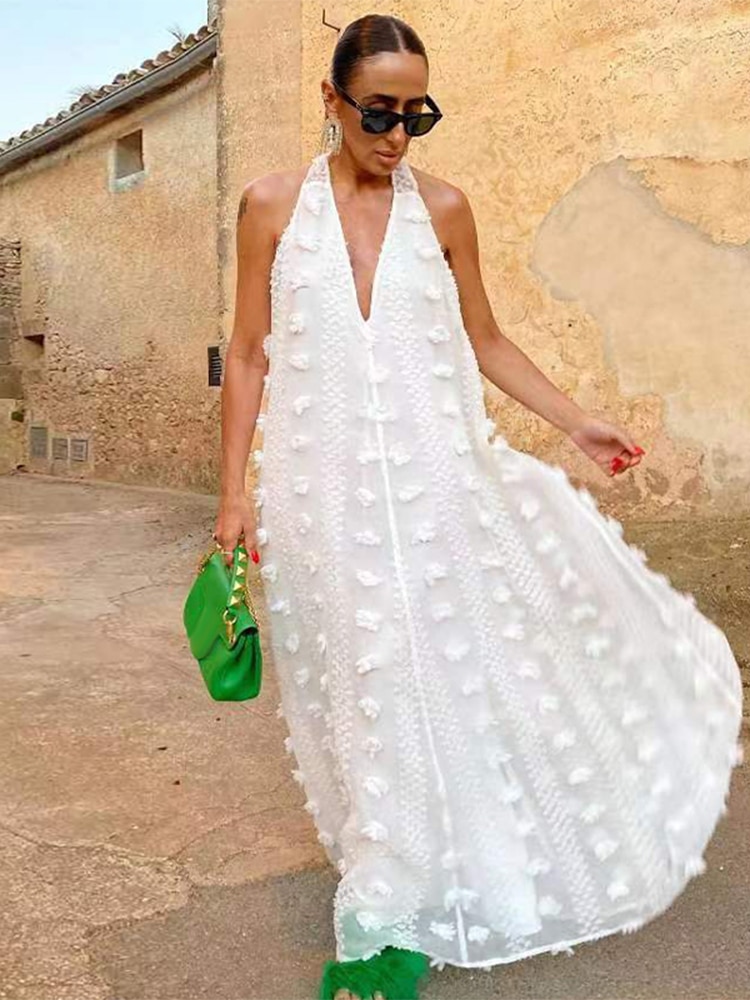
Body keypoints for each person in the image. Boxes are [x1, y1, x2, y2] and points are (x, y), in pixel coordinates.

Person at [212, 13, 744, 1000]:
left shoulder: (446, 210)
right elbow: (247, 355)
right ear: (331, 101)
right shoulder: (270, 208)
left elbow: (486, 340)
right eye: (379, 113)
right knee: (357, 685)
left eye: (418, 115)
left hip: (435, 487)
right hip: (317, 492)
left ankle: (395, 909)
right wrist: (233, 494)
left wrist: (577, 421)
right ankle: (390, 882)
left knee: (434, 676)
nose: (397, 136)